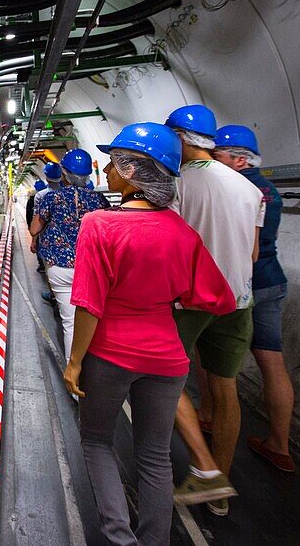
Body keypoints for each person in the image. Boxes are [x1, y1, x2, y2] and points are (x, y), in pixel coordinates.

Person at [64, 122, 235, 546]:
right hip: (167, 360)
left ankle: (121, 539)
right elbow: (217, 299)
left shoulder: (100, 225)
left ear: (134, 171)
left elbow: (89, 305)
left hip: (109, 355)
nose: (105, 168)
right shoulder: (183, 233)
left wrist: (74, 362)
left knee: (98, 442)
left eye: (114, 162)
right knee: (155, 457)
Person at [165, 105, 266, 516]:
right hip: (238, 298)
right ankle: (218, 488)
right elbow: (254, 252)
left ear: (181, 137)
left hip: (191, 298)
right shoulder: (250, 189)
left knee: (163, 378)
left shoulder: (177, 183)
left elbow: (166, 243)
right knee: (226, 389)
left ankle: (201, 464)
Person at [213, 124, 296, 473]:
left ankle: (207, 417)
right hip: (271, 281)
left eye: (217, 158)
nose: (213, 164)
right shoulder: (271, 191)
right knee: (272, 363)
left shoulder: (237, 190)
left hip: (240, 286)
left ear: (239, 160)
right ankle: (279, 444)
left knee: (215, 360)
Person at [29, 149, 105, 363]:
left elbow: (35, 229)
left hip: (60, 266)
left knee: (70, 321)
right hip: (91, 266)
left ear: (64, 173)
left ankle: (75, 375)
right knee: (93, 318)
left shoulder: (52, 198)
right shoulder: (99, 200)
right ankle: (94, 371)